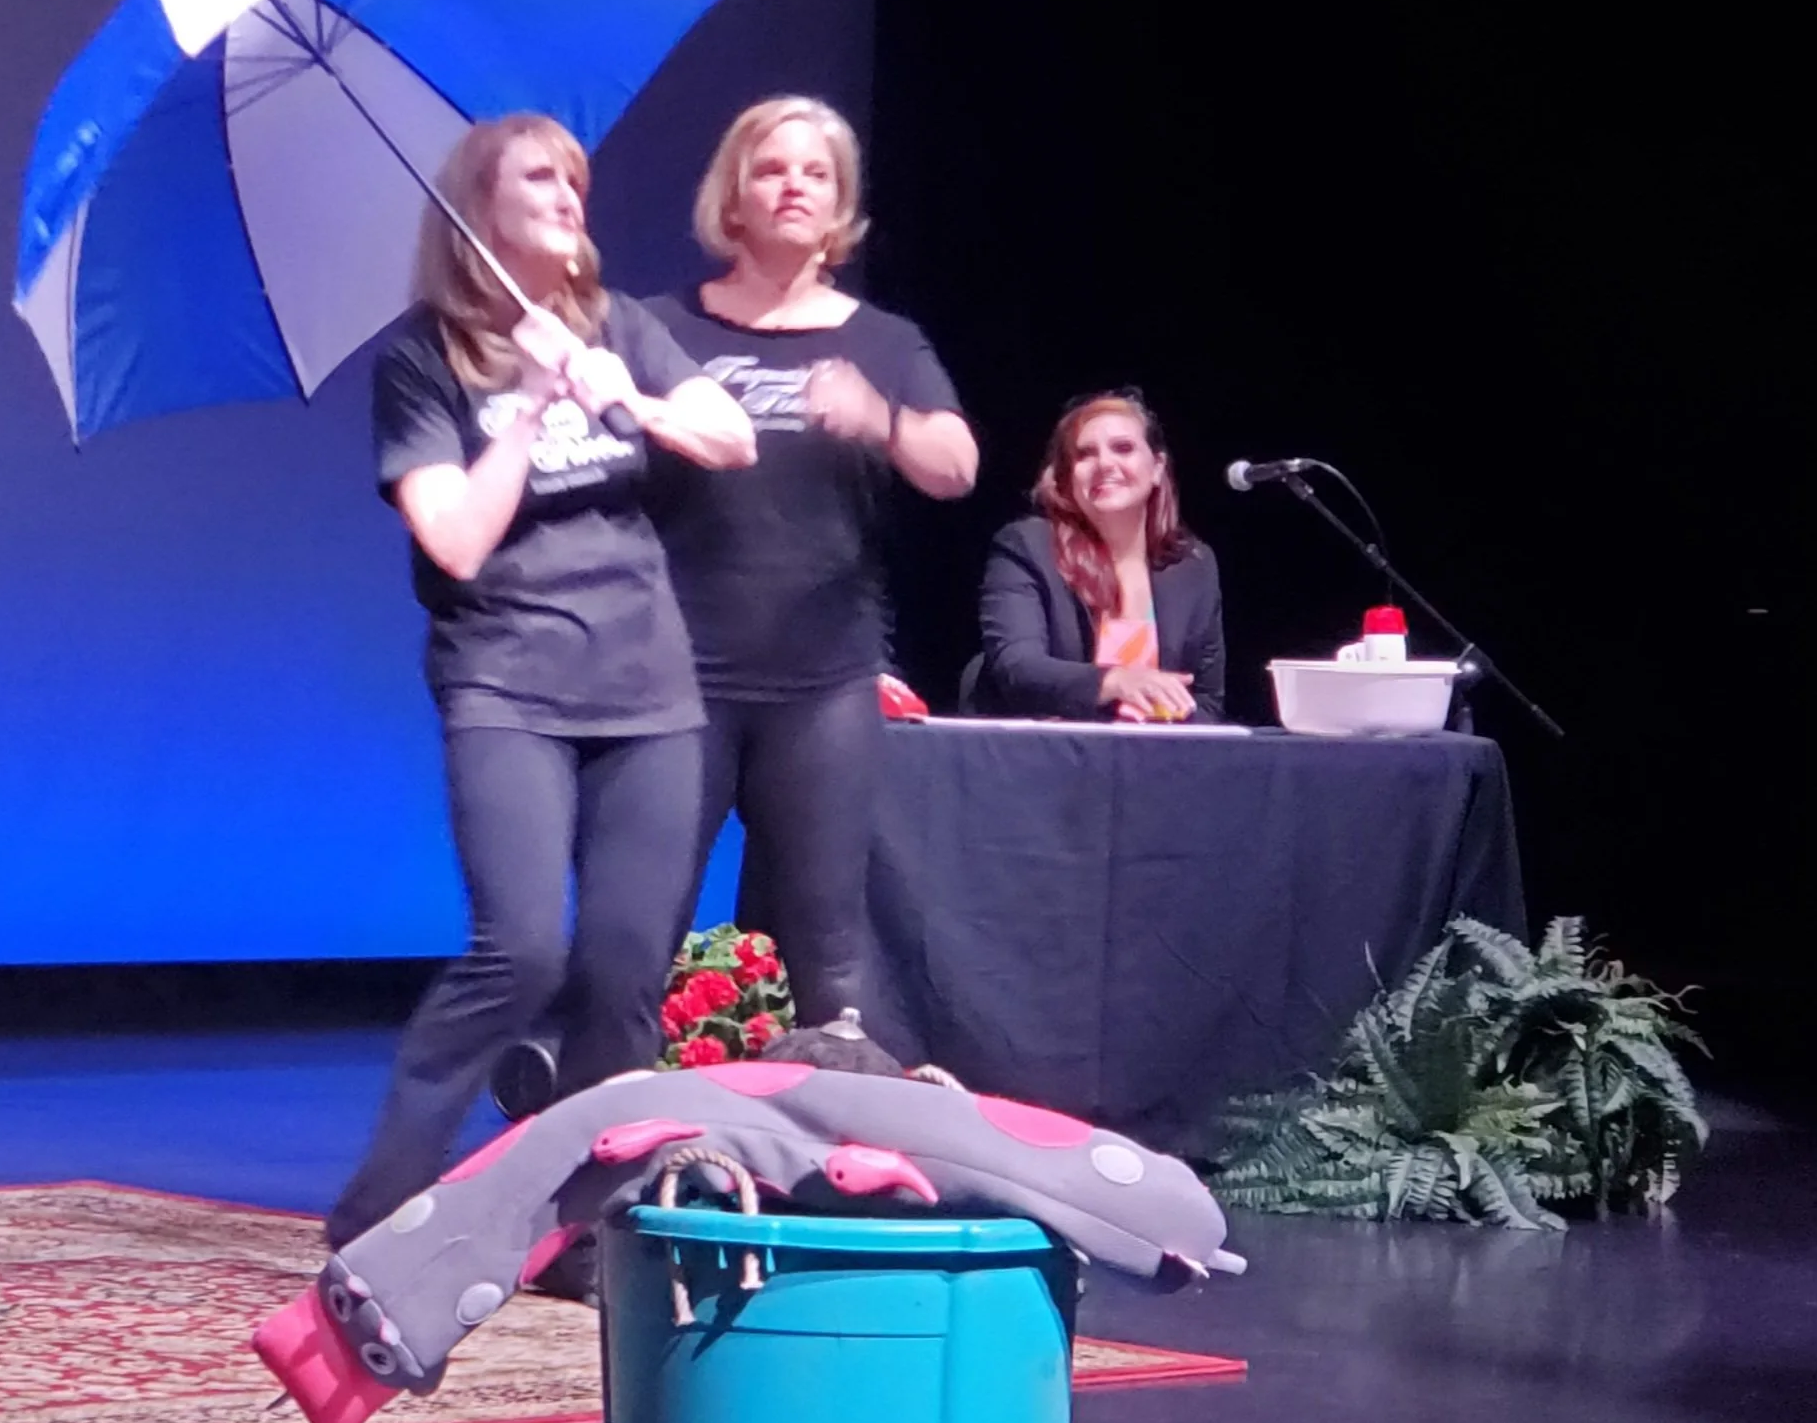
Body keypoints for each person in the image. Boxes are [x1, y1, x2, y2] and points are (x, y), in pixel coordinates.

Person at [325, 114, 756, 1252]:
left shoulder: (618, 327)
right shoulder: (420, 359)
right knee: (520, 950)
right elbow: (457, 541)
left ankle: (580, 1224)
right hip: (507, 680)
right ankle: (380, 1208)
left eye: (575, 178)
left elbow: (732, 439)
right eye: (539, 178)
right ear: (480, 206)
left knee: (625, 967)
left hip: (646, 682)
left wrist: (630, 397)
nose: (569, 196)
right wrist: (523, 405)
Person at [647, 96, 978, 1029]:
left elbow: (956, 468)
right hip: (675, 677)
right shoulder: (660, 328)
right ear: (734, 198)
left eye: (816, 173)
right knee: (642, 925)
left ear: (839, 207)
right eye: (772, 169)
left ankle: (822, 1115)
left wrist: (880, 419)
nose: (794, 186)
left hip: (823, 685)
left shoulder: (882, 342)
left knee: (827, 946)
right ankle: (608, 1106)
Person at [975, 391, 1225, 722]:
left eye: (1123, 448)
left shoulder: (1193, 565)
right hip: (1049, 747)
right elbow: (1018, 668)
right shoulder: (1026, 546)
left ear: (1157, 468)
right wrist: (1116, 681)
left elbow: (1206, 703)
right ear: (1067, 477)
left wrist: (1163, 719)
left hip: (1153, 750)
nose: (1105, 464)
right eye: (1085, 455)